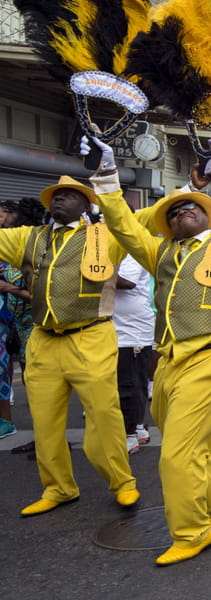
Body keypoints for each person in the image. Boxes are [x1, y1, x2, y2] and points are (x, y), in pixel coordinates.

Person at [85, 136, 211, 566]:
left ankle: (193, 530)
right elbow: (121, 226)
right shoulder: (158, 253)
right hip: (171, 360)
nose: (182, 212)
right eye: (174, 211)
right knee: (182, 440)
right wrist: (107, 178)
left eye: (191, 207)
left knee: (177, 452)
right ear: (167, 224)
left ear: (209, 215)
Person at [0, 177, 139, 516]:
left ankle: (123, 483)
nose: (59, 199)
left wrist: (108, 185)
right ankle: (58, 487)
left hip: (90, 335)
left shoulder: (106, 236)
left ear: (87, 204)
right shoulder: (29, 237)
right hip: (44, 340)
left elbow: (130, 223)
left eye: (69, 195)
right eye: (55, 195)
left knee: (103, 415)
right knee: (45, 421)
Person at [0, 198, 43, 440]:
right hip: (17, 327)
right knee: (30, 384)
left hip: (35, 329)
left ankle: (48, 438)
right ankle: (42, 437)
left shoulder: (33, 255)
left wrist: (10, 288)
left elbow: (43, 296)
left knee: (38, 387)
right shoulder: (12, 253)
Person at [113, 252, 155, 455]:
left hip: (133, 331)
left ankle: (132, 434)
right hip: (114, 329)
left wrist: (88, 272)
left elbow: (127, 282)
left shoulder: (130, 252)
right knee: (125, 383)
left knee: (131, 384)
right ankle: (135, 427)